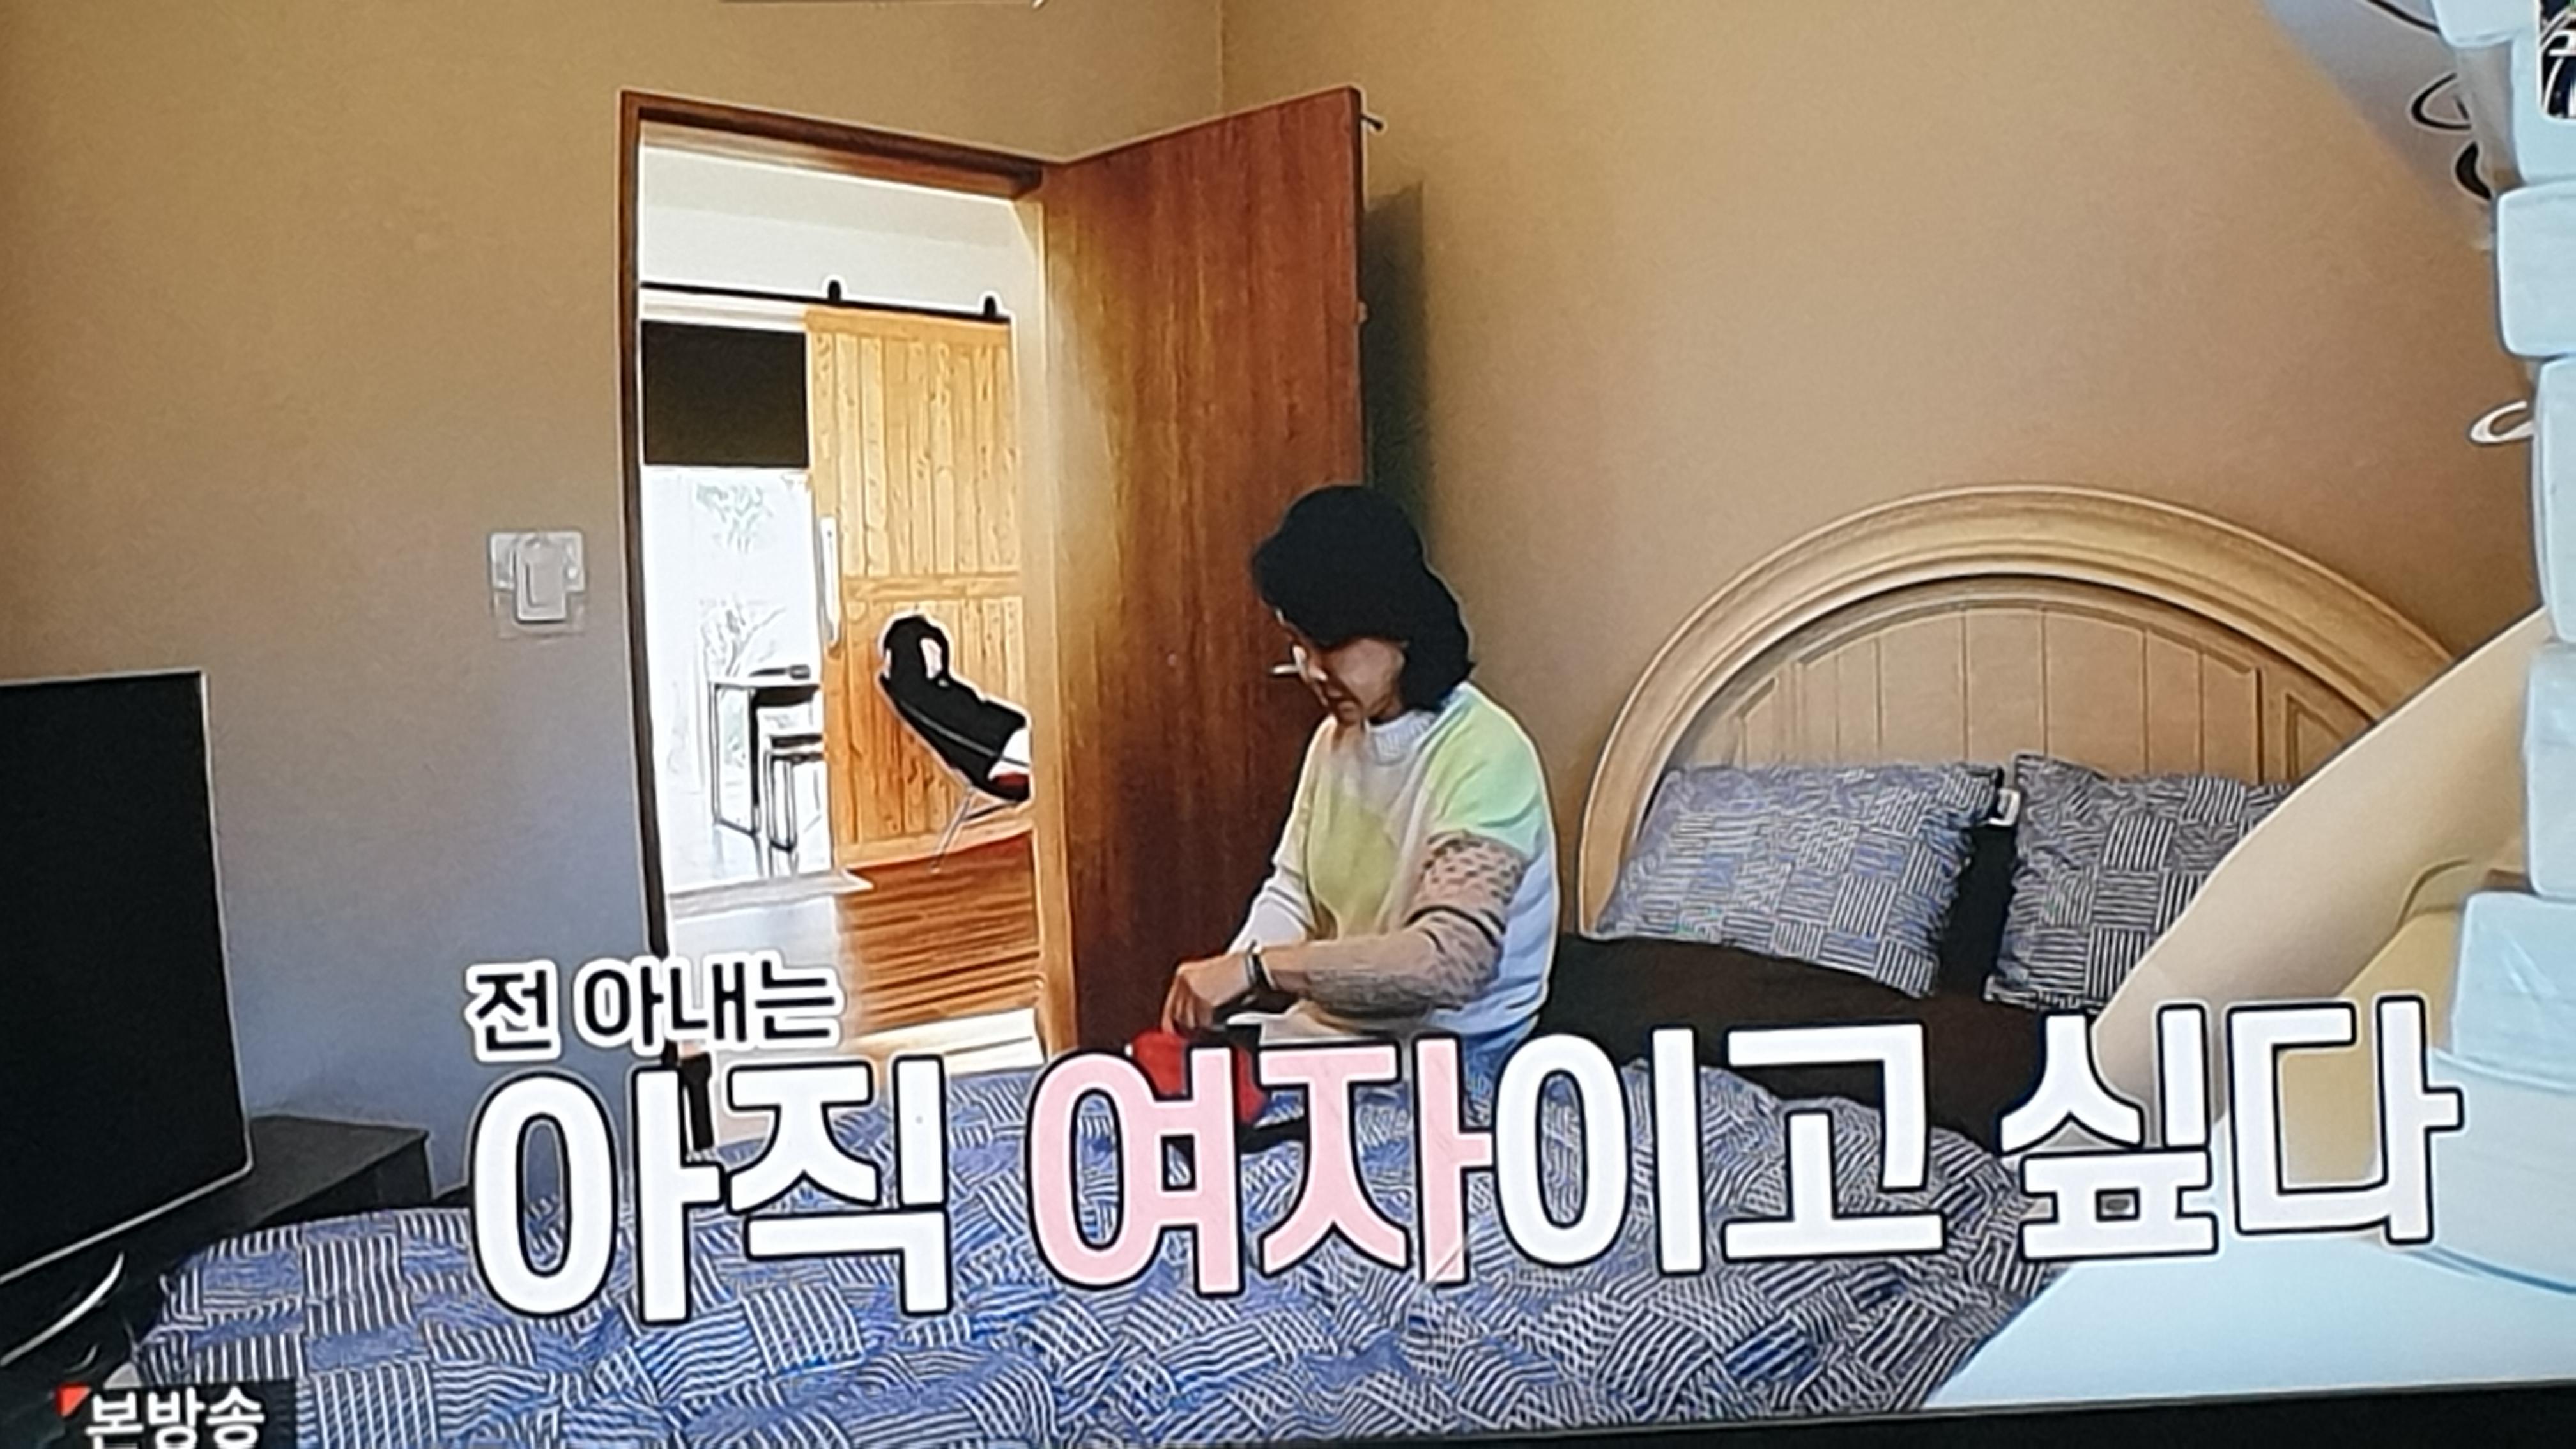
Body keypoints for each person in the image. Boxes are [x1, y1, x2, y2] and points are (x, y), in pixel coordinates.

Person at [1162, 486, 1559, 1069]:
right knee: (1131, 1094)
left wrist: (1258, 969)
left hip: (1448, 1056)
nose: (1310, 670)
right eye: (1297, 645)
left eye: (1328, 646)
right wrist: (1222, 987)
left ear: (1398, 627)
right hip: (1335, 1036)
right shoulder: (1336, 741)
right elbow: (1294, 892)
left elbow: (1450, 961)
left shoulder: (1488, 754)